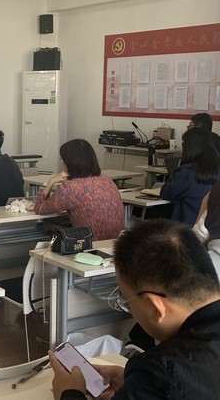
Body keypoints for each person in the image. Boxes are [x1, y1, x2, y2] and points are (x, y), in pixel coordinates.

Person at [50, 219, 220, 400]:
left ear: (155, 308)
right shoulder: (160, 374)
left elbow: (168, 382)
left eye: (127, 301)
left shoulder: (159, 373)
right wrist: (134, 385)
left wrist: (69, 393)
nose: (128, 307)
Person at [34, 139, 124, 240]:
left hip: (90, 243)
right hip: (117, 243)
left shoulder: (70, 188)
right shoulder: (106, 180)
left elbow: (39, 208)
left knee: (46, 225)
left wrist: (51, 181)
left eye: (62, 159)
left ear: (69, 162)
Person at [160, 126, 220, 226]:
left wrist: (177, 169)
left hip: (188, 228)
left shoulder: (187, 173)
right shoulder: (217, 169)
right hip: (212, 229)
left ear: (190, 148)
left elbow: (166, 193)